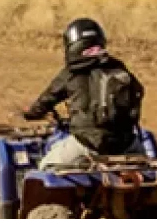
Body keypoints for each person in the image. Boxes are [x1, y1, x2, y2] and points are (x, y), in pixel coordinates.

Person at [22, 18, 145, 167]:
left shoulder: (71, 73)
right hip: (125, 145)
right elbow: (138, 92)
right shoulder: (118, 67)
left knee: (45, 167)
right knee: (148, 170)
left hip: (86, 145)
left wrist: (31, 113)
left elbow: (46, 100)